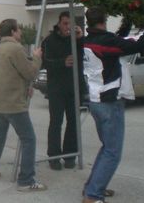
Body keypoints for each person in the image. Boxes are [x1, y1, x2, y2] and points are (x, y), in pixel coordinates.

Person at [82, 6, 144, 203]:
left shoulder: (87, 40)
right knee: (112, 152)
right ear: (104, 20)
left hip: (95, 100)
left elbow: (119, 42)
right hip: (108, 102)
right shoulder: (105, 41)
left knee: (107, 147)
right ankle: (92, 195)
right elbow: (136, 44)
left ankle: (92, 187)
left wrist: (127, 24)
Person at [0, 19, 47, 192]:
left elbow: (5, 75)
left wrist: (24, 88)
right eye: (19, 30)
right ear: (14, 31)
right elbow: (30, 73)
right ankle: (25, 180)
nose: (21, 33)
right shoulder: (16, 48)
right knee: (28, 139)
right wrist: (37, 58)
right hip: (12, 103)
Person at [41, 11, 86, 170]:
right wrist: (62, 62)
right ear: (59, 24)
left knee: (73, 122)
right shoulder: (49, 40)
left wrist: (80, 38)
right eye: (65, 23)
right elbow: (44, 62)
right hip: (56, 88)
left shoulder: (76, 39)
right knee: (56, 122)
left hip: (74, 87)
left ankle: (70, 155)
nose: (68, 27)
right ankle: (53, 156)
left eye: (70, 24)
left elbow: (83, 56)